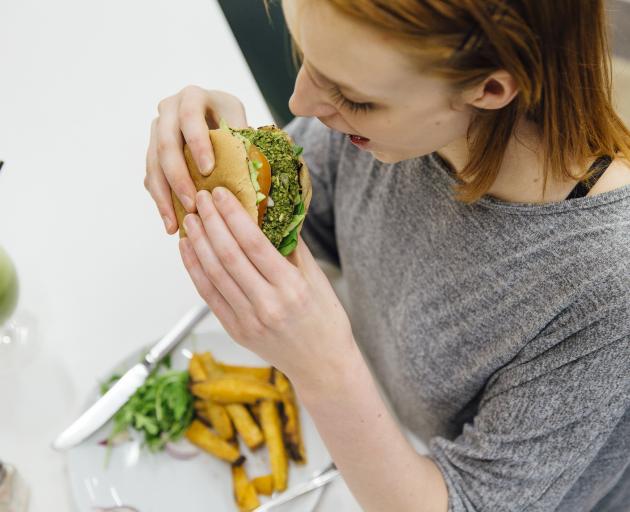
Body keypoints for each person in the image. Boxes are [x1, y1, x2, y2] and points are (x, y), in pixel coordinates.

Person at [144, 1, 630, 510]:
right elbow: (312, 216)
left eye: (353, 97)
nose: (300, 102)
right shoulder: (387, 134)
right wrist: (228, 152)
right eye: (305, 56)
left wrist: (325, 370)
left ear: (489, 89)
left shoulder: (604, 289)